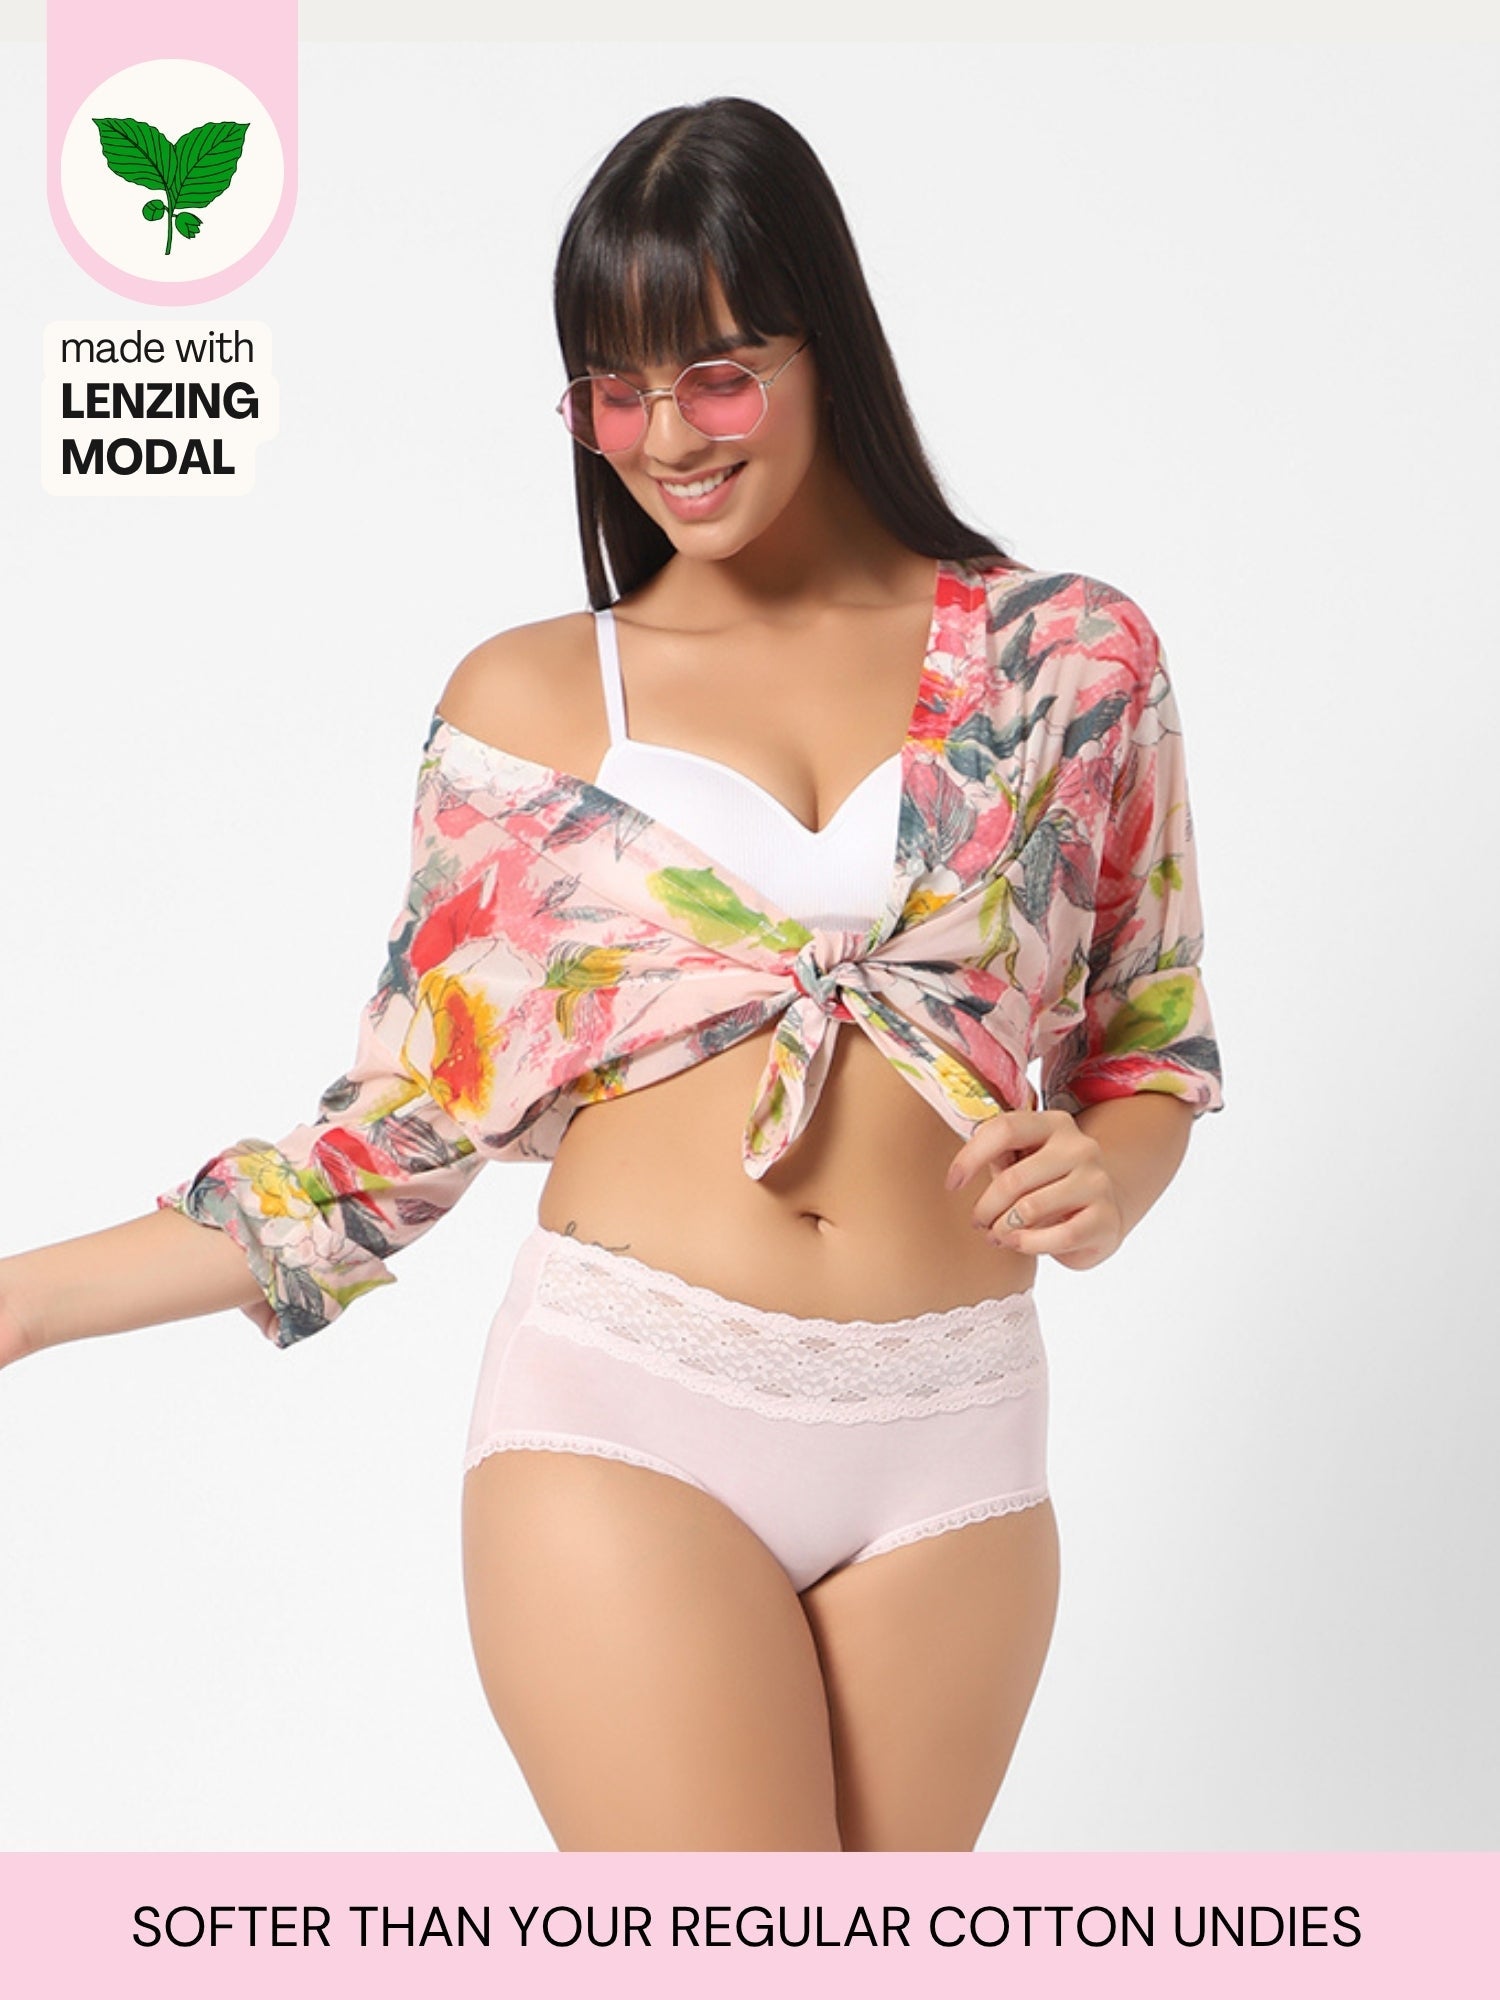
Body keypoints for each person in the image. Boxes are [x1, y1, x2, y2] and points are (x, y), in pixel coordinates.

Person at [0, 97, 1223, 1852]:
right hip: (637, 1414)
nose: (666, 439)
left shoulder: (1074, 657)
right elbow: (391, 1139)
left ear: (826, 347)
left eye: (717, 377)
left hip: (958, 1425)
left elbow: (1152, 1037)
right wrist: (24, 1302)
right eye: (614, 392)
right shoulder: (528, 706)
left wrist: (1113, 1177)